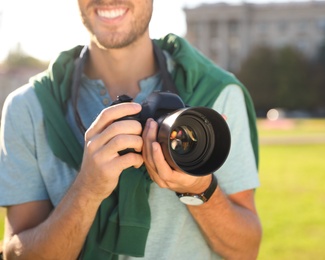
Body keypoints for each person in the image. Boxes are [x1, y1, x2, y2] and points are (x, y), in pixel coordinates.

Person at [0, 0, 262, 259]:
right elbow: (15, 254)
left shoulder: (218, 93)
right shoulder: (30, 108)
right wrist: (87, 190)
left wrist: (199, 187)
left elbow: (246, 249)